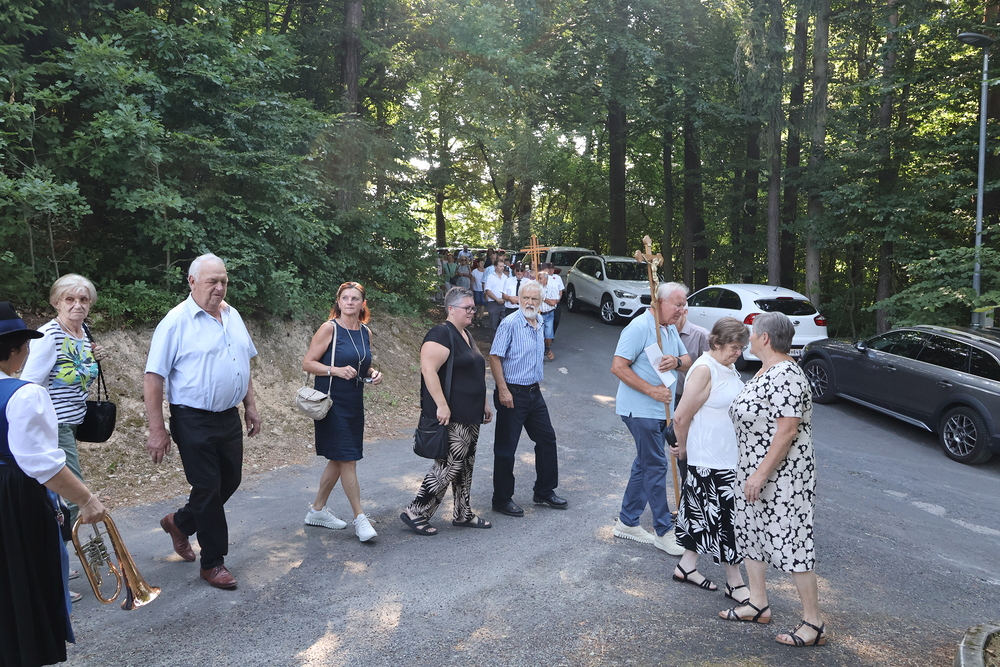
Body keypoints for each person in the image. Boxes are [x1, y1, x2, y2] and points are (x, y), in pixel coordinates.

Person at [144, 253, 262, 590]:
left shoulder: (232, 315)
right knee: (208, 488)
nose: (219, 287)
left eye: (223, 280)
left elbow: (241, 363)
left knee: (231, 480)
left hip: (228, 415)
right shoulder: (175, 322)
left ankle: (180, 522)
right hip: (192, 417)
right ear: (192, 281)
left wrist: (250, 405)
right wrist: (157, 429)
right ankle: (213, 563)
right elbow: (153, 377)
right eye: (212, 281)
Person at [0, 301, 108, 667]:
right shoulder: (24, 394)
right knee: (24, 576)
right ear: (14, 350)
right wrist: (87, 499)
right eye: (25, 346)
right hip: (14, 494)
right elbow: (41, 465)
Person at [719, 311, 827, 647]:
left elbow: (788, 430)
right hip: (753, 471)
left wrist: (761, 474)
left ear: (765, 338)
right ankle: (757, 603)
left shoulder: (786, 374)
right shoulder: (764, 371)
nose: (749, 338)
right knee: (750, 533)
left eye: (752, 333)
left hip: (782, 476)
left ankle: (814, 623)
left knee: (792, 541)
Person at [670, 317, 750, 602]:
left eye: (741, 347)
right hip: (710, 459)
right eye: (734, 347)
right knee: (728, 521)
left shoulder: (727, 367)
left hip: (725, 457)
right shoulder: (705, 369)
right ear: (716, 342)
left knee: (699, 515)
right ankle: (735, 582)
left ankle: (686, 567)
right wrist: (684, 450)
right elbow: (681, 417)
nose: (738, 352)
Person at [401, 287, 493, 535]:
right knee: (449, 465)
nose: (472, 311)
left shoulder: (466, 335)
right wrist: (442, 405)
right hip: (453, 414)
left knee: (465, 465)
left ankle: (463, 513)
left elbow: (474, 373)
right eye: (467, 308)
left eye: (473, 307)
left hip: (470, 413)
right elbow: (428, 370)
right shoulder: (441, 333)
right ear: (451, 309)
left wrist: (484, 403)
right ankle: (416, 511)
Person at [609, 282, 691, 556]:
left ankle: (627, 521)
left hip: (661, 411)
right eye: (677, 305)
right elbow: (618, 367)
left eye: (683, 305)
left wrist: (675, 362)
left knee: (644, 464)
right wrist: (652, 391)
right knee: (656, 465)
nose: (681, 310)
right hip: (640, 410)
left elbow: (687, 359)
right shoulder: (639, 327)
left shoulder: (668, 328)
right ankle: (663, 531)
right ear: (659, 302)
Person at [21, 275, 106, 530]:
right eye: (69, 299)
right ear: (56, 302)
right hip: (54, 423)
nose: (77, 305)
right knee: (75, 494)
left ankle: (52, 545)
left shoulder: (83, 332)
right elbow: (29, 384)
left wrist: (96, 357)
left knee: (59, 494)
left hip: (73, 422)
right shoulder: (49, 335)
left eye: (83, 299)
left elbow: (78, 371)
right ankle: (70, 548)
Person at [302, 282, 384, 543]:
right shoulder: (330, 328)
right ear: (338, 302)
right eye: (345, 298)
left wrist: (373, 373)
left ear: (362, 304)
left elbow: (363, 365)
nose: (349, 302)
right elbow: (308, 363)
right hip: (332, 403)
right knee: (348, 458)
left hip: (354, 403)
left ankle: (317, 510)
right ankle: (360, 518)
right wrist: (335, 370)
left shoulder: (365, 332)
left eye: (355, 298)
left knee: (339, 458)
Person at [489, 280, 566, 516]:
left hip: (534, 392)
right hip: (512, 393)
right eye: (526, 298)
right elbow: (494, 357)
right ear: (519, 299)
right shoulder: (510, 323)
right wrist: (503, 390)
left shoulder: (540, 321)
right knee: (506, 449)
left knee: (547, 440)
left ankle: (544, 491)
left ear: (541, 301)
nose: (529, 302)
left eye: (534, 299)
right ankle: (502, 499)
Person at [674, 307, 710, 481]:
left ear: (685, 312)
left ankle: (691, 486)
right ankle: (684, 487)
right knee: (676, 444)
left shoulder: (701, 335)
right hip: (672, 397)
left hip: (694, 401)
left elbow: (713, 366)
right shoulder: (665, 333)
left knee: (691, 446)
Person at [537, 268, 560, 361]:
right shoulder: (537, 288)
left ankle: (547, 349)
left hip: (549, 314)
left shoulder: (552, 287)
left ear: (546, 279)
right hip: (539, 315)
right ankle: (542, 353)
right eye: (539, 278)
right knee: (540, 336)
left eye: (541, 278)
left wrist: (543, 299)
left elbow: (553, 302)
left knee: (548, 336)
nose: (539, 280)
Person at [540, 262, 565, 334]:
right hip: (546, 303)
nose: (551, 270)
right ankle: (548, 335)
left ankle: (551, 334)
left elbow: (560, 290)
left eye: (552, 269)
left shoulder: (557, 277)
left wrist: (557, 300)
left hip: (556, 301)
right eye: (549, 269)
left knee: (556, 320)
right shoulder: (543, 278)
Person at [483, 258, 507, 330]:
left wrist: (504, 299)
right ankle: (493, 337)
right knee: (493, 325)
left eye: (503, 266)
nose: (502, 268)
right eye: (500, 266)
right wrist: (497, 299)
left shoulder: (505, 277)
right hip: (493, 303)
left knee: (504, 324)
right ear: (495, 267)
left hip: (504, 303)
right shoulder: (490, 277)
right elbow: (488, 290)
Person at [471, 258, 487, 326]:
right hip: (476, 289)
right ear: (478, 263)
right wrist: (471, 290)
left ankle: (480, 318)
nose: (482, 264)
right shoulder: (474, 271)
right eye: (481, 263)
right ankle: (475, 316)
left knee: (483, 304)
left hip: (484, 289)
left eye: (483, 263)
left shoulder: (486, 271)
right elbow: (472, 281)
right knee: (477, 304)